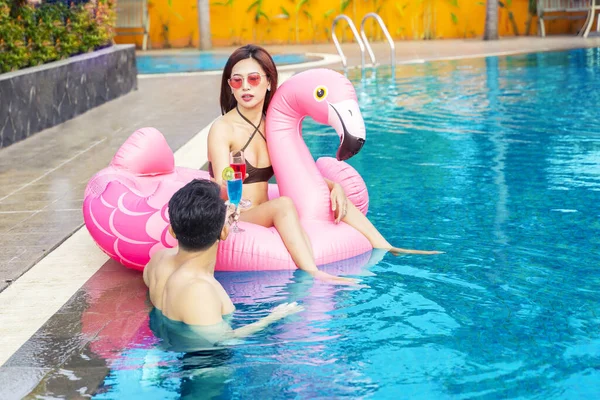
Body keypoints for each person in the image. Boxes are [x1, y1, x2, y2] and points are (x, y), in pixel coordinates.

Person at [207, 44, 441, 285]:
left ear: (268, 82)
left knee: (332, 193)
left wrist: (331, 186)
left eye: (253, 79)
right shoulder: (223, 129)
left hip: (264, 209)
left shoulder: (275, 126)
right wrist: (228, 182)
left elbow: (297, 172)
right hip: (238, 214)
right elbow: (220, 186)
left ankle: (386, 245)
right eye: (237, 81)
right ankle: (314, 272)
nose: (245, 86)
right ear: (230, 87)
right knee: (284, 205)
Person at [143, 179, 303, 346]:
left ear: (172, 231)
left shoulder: (158, 260)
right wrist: (273, 317)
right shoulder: (198, 290)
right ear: (224, 233)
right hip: (206, 367)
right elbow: (224, 340)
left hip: (173, 344)